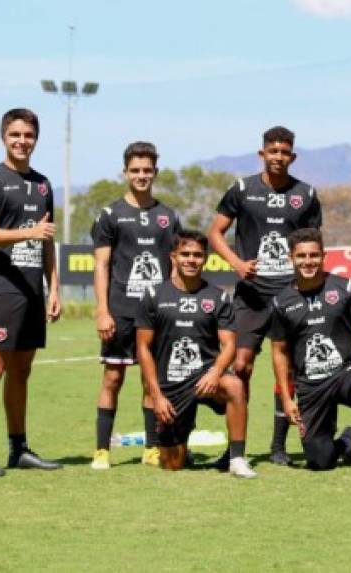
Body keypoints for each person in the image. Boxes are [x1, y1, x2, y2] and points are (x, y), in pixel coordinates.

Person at [208, 126, 322, 466]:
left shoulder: (306, 194)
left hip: (290, 294)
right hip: (251, 296)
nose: (278, 157)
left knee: (286, 371)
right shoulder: (243, 189)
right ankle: (235, 448)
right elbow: (215, 232)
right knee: (240, 365)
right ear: (262, 154)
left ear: (293, 156)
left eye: (284, 152)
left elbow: (311, 242)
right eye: (273, 151)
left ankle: (278, 447)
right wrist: (236, 264)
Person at [0, 108, 62, 476]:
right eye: (15, 135)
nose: (22, 141)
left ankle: (18, 448)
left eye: (28, 135)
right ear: (3, 136)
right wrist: (28, 233)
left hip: (33, 290)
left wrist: (54, 288)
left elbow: (48, 240)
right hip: (3, 289)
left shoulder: (42, 185)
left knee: (22, 370)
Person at [270, 228, 351, 477]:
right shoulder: (280, 301)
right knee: (320, 461)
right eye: (301, 256)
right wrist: (285, 397)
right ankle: (345, 442)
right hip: (311, 385)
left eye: (314, 255)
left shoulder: (345, 287)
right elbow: (279, 352)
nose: (308, 261)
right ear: (291, 258)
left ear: (323, 255)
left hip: (345, 373)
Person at [90, 142, 181, 470]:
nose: (141, 175)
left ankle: (151, 448)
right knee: (113, 378)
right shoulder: (111, 215)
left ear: (155, 172)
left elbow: (175, 266)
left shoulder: (168, 217)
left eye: (147, 170)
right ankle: (102, 450)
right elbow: (101, 265)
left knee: (150, 381)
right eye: (135, 170)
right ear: (125, 172)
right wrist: (102, 310)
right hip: (121, 312)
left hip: (156, 315)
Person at [135, 230, 255, 478]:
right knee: (172, 465)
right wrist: (156, 396)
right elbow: (144, 349)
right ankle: (183, 432)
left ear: (206, 259)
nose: (191, 260)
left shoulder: (218, 296)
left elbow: (230, 345)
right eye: (185, 254)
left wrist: (215, 373)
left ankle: (237, 459)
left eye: (198, 255)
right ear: (173, 257)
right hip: (172, 384)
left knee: (234, 385)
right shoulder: (154, 296)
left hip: (207, 378)